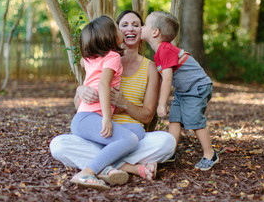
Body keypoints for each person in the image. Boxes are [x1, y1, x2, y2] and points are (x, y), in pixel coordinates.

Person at [50, 10, 176, 188]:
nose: (130, 28)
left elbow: (148, 116)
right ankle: (130, 167)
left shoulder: (150, 68)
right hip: (99, 132)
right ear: (114, 32)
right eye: (124, 25)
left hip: (129, 136)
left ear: (143, 31)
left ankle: (104, 165)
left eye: (136, 24)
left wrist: (123, 103)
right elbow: (81, 106)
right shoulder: (101, 59)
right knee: (58, 144)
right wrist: (81, 90)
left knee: (167, 141)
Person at [70, 15, 146, 190]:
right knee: (131, 139)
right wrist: (106, 118)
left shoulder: (91, 58)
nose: (122, 31)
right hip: (90, 118)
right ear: (110, 37)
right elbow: (104, 84)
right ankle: (87, 172)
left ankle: (107, 163)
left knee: (138, 131)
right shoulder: (112, 56)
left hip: (84, 120)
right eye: (118, 28)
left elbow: (83, 61)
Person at [141, 11, 219, 171]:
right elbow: (163, 78)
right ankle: (170, 151)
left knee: (194, 120)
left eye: (144, 24)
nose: (141, 27)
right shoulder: (159, 53)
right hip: (183, 91)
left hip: (196, 87)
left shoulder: (165, 49)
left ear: (155, 32)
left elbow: (168, 79)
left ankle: (210, 154)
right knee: (175, 120)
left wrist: (161, 104)